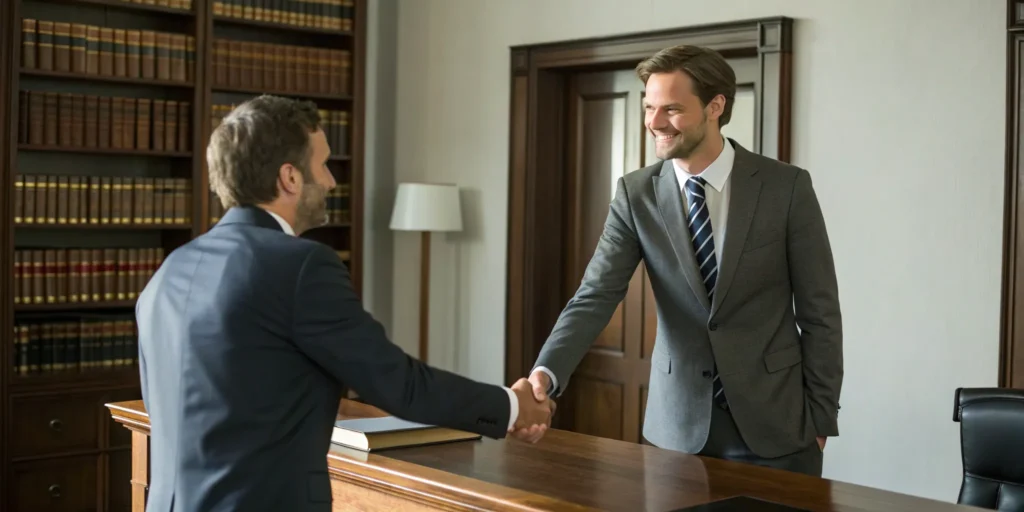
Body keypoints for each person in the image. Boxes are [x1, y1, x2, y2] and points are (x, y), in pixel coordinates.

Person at [135, 95, 554, 512]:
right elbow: (398, 384)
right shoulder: (300, 266)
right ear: (290, 178)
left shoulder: (171, 269)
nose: (332, 181)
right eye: (322, 164)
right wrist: (514, 406)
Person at [517, 45, 842, 476]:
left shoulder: (786, 187)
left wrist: (820, 416)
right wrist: (546, 373)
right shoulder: (636, 194)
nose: (653, 123)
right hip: (677, 431)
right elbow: (596, 294)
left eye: (670, 109)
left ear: (715, 106)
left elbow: (820, 312)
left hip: (778, 426)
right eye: (649, 107)